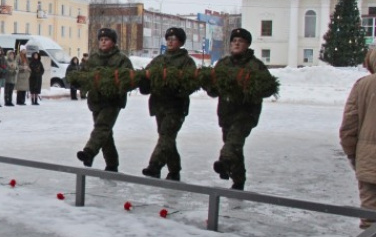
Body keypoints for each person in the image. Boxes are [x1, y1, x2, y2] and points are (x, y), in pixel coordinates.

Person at [207, 28, 275, 190]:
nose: (236, 43)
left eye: (241, 41)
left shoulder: (255, 66)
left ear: (247, 45)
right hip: (226, 113)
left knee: (233, 142)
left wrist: (250, 86)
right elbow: (213, 89)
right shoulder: (223, 64)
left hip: (246, 114)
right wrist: (211, 85)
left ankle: (224, 163)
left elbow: (269, 87)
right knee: (234, 146)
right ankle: (238, 179)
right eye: (234, 41)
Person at [138, 27, 197, 181]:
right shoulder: (159, 60)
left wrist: (177, 89)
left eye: (174, 39)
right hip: (159, 105)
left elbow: (191, 83)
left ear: (181, 42)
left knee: (166, 136)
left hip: (176, 106)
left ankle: (154, 166)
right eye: (168, 39)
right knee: (167, 137)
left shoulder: (186, 61)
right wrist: (144, 84)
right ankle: (174, 170)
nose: (170, 42)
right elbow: (146, 77)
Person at [77, 28, 132, 171]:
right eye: (101, 40)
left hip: (113, 100)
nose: (103, 42)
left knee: (102, 127)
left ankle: (89, 152)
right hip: (96, 100)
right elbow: (83, 75)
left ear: (113, 42)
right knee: (105, 134)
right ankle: (112, 164)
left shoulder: (121, 59)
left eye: (106, 39)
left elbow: (130, 79)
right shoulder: (93, 59)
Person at [340, 48, 376, 229]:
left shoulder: (363, 85)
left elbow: (349, 125)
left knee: (370, 213)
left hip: (369, 159)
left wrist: (352, 154)